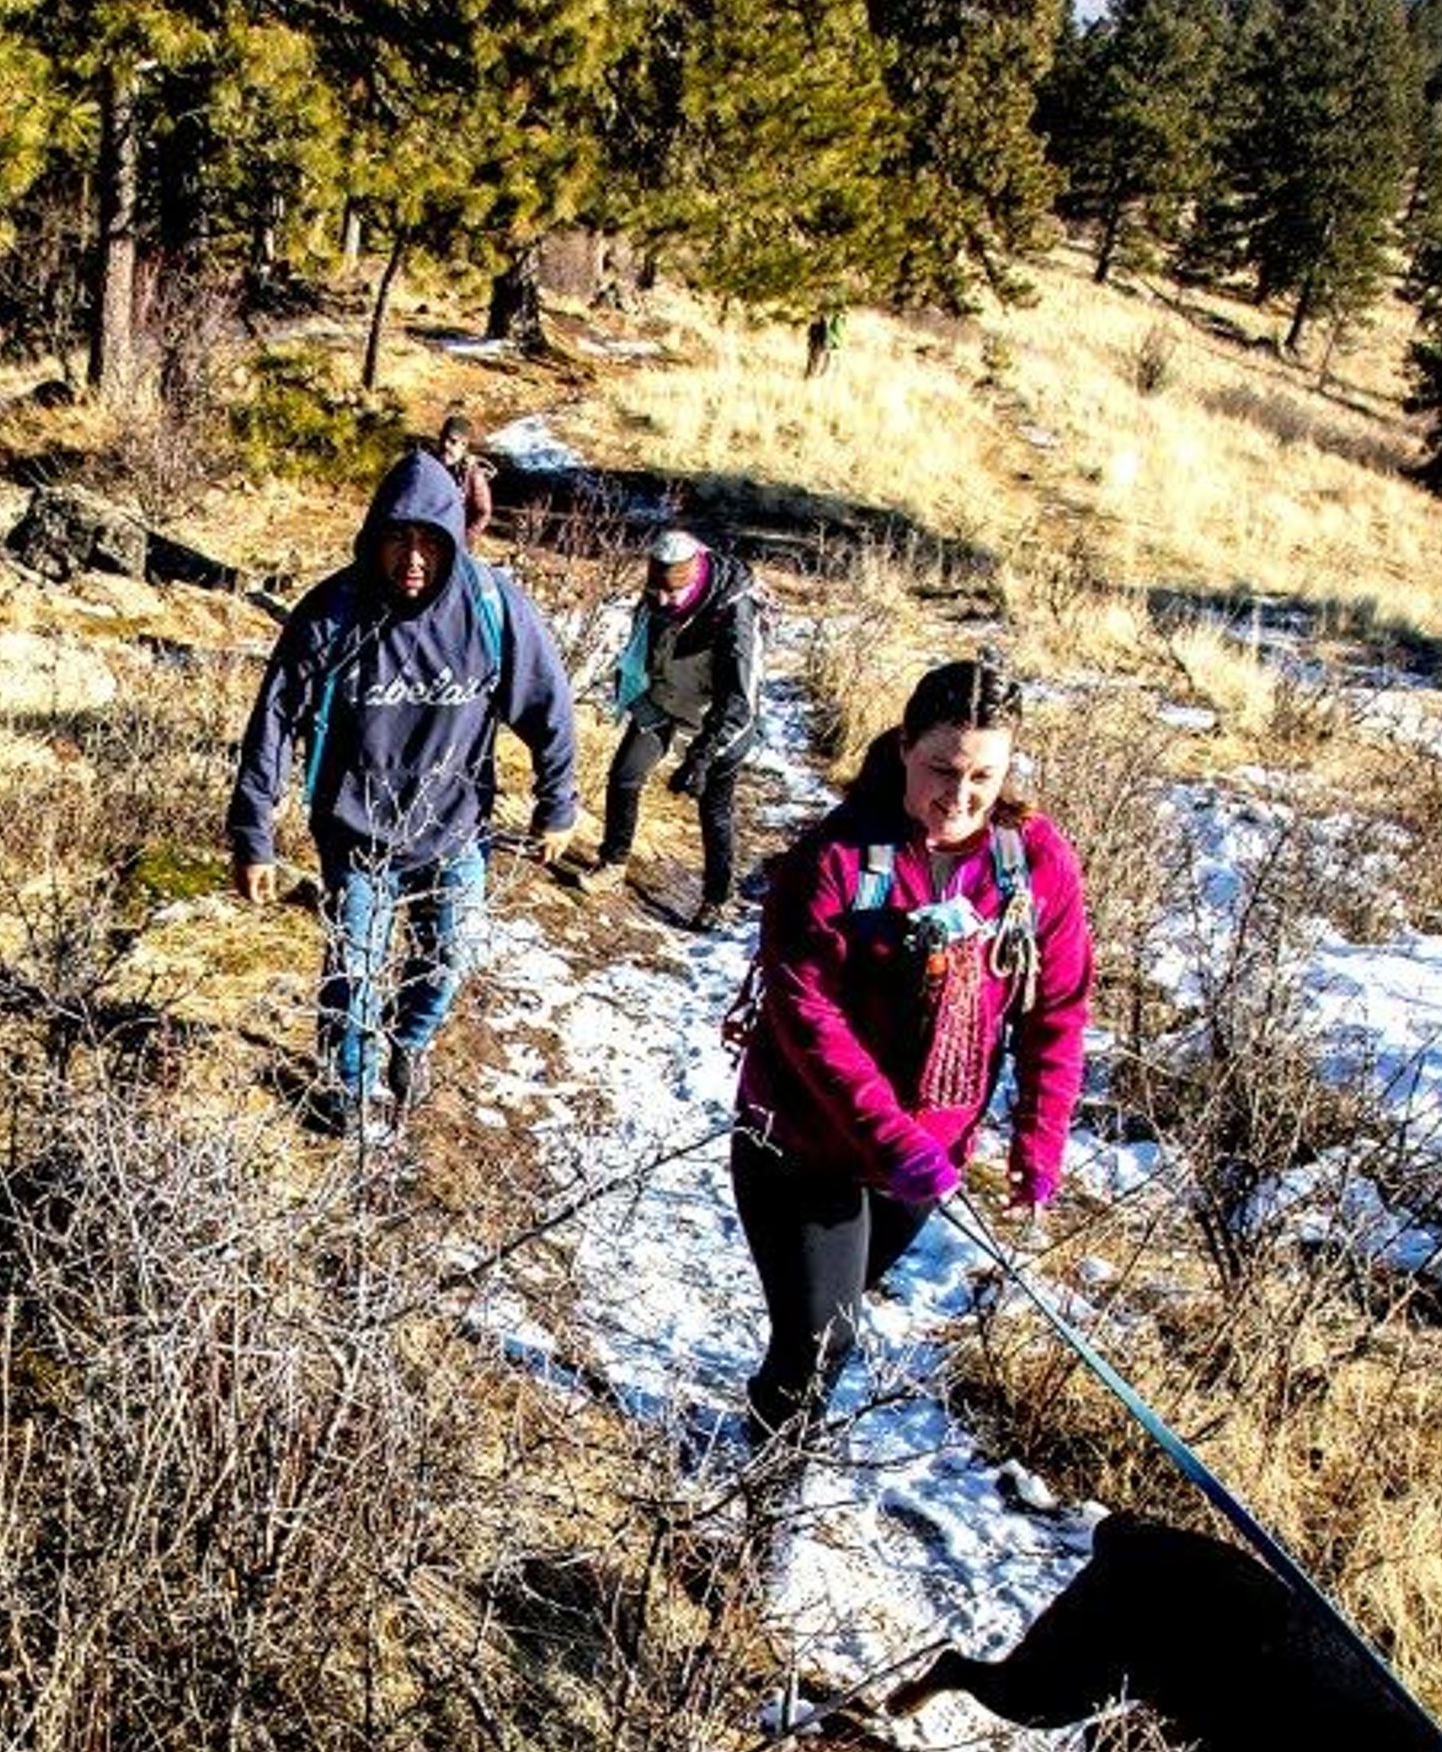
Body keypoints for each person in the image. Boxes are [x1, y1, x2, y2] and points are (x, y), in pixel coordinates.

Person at [727, 656, 1091, 1442]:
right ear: (902, 748)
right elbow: (805, 1014)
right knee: (822, 1341)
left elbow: (1056, 1008)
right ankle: (757, 1504)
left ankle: (770, 1442)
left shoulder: (1031, 863)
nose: (959, 798)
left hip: (924, 1157)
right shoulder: (834, 859)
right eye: (942, 770)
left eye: (983, 778)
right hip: (801, 1142)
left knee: (825, 1330)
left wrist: (1039, 1138)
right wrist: (894, 1139)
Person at [229, 449, 580, 1132]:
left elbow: (549, 705)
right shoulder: (332, 613)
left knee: (449, 957)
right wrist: (253, 835)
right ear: (374, 538)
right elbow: (272, 721)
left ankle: (409, 1043)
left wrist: (557, 800)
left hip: (455, 828)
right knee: (354, 972)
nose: (412, 559)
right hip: (356, 832)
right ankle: (353, 1087)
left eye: (428, 542)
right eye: (398, 539)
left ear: (452, 538)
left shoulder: (491, 608)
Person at [566, 527, 764, 928]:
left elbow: (738, 702)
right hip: (663, 698)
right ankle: (613, 862)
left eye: (672, 594)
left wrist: (702, 758)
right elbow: (636, 655)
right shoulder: (657, 594)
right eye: (656, 590)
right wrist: (634, 697)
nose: (661, 600)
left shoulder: (734, 618)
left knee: (715, 806)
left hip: (719, 719)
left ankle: (716, 898)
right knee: (625, 775)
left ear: (694, 582)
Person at [434, 412, 497, 542]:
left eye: (453, 441)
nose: (446, 445)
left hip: (456, 543)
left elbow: (483, 512)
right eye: (443, 438)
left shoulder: (473, 475)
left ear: (464, 445)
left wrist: (464, 540)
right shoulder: (429, 465)